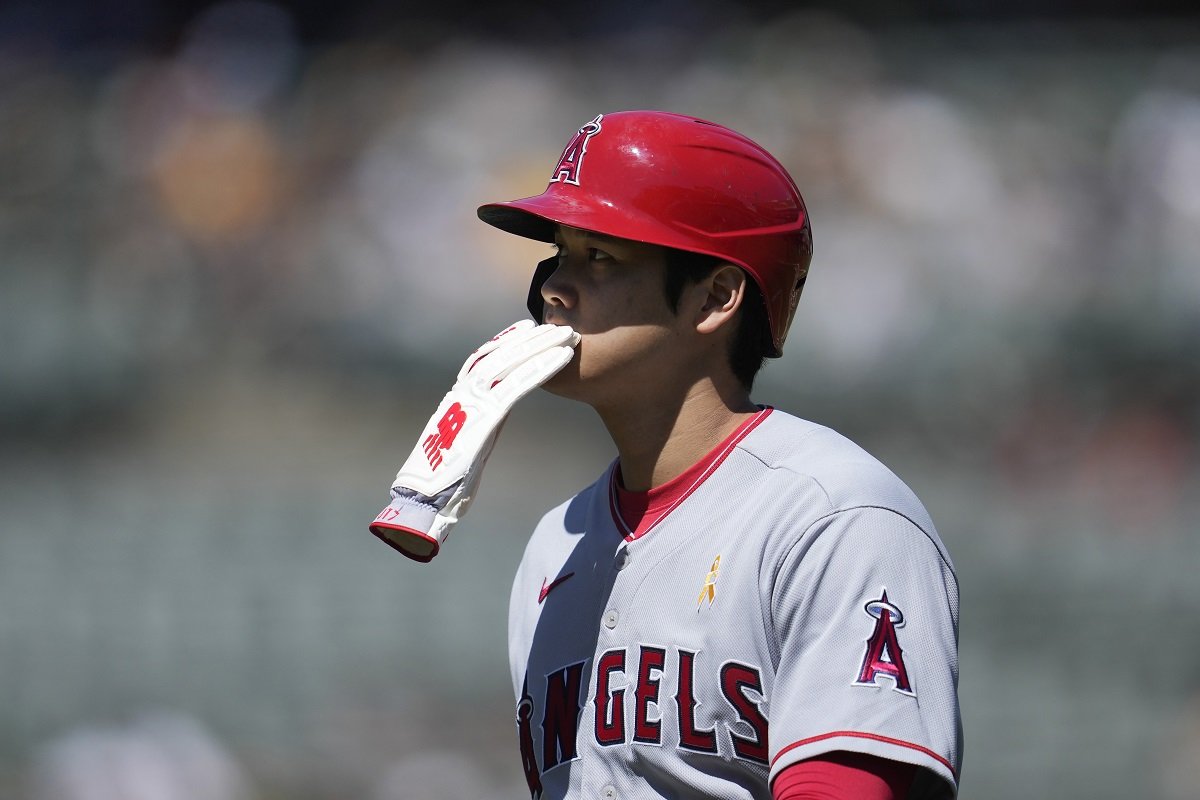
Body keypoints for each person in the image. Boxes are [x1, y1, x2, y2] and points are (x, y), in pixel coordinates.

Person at [370, 110, 962, 800]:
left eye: (601, 258)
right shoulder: (554, 545)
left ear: (715, 298)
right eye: (559, 254)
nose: (555, 289)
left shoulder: (834, 516)